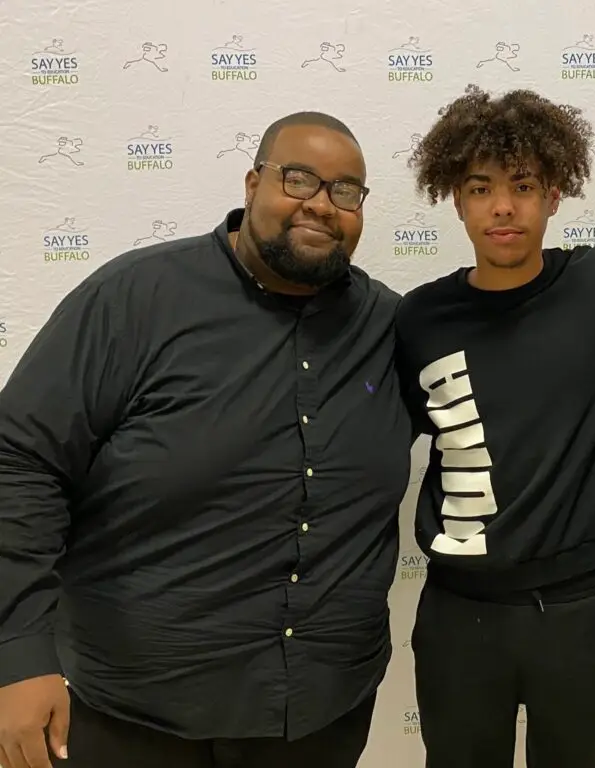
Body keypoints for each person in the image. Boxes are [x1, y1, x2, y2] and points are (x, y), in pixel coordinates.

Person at [0, 111, 413, 768]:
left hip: (320, 716)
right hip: (137, 718)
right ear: (252, 184)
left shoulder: (390, 326)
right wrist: (19, 654)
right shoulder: (134, 299)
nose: (320, 204)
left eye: (345, 191)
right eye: (298, 178)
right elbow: (22, 462)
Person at [395, 84, 595, 768]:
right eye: (480, 188)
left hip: (579, 612)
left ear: (554, 195)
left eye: (523, 185)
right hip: (458, 613)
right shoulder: (418, 319)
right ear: (456, 199)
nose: (503, 207)